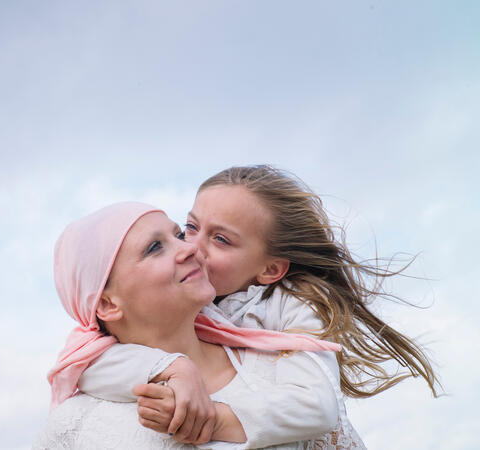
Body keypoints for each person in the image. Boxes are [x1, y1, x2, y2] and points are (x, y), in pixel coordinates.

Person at [79, 166, 440, 448]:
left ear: (269, 270)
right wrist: (174, 368)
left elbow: (315, 405)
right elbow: (86, 362)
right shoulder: (184, 302)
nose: (192, 247)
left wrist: (217, 421)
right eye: (190, 227)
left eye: (220, 239)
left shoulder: (293, 305)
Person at [35, 202, 344, 450]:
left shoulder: (282, 366)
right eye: (155, 247)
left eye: (178, 235)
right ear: (106, 305)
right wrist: (173, 367)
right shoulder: (75, 425)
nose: (191, 248)